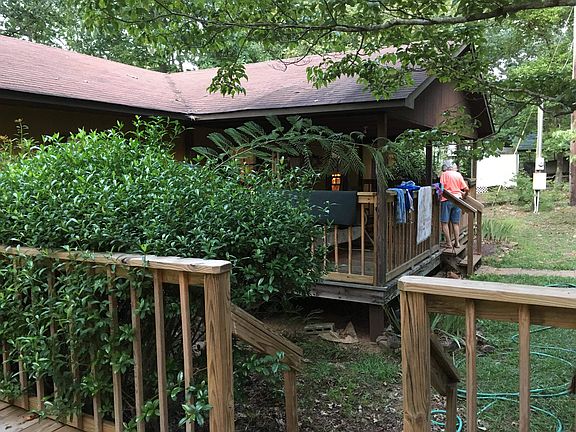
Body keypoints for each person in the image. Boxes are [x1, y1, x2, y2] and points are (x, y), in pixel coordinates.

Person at [439, 161, 469, 249]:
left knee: (444, 222)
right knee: (456, 223)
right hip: (458, 200)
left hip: (447, 200)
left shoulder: (444, 174)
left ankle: (449, 243)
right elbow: (466, 189)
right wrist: (464, 196)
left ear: (445, 167)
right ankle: (457, 243)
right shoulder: (458, 175)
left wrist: (439, 196)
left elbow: (441, 188)